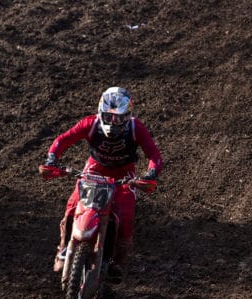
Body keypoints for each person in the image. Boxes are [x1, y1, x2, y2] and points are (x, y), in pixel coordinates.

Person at [42, 86, 163, 283]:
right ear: (100, 113)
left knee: (126, 215)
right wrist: (52, 158)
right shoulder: (90, 124)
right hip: (95, 169)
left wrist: (151, 173)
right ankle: (63, 249)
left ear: (128, 116)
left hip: (124, 174)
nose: (114, 123)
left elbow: (154, 155)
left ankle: (118, 263)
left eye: (120, 118)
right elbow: (63, 139)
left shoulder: (135, 128)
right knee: (73, 205)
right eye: (109, 117)